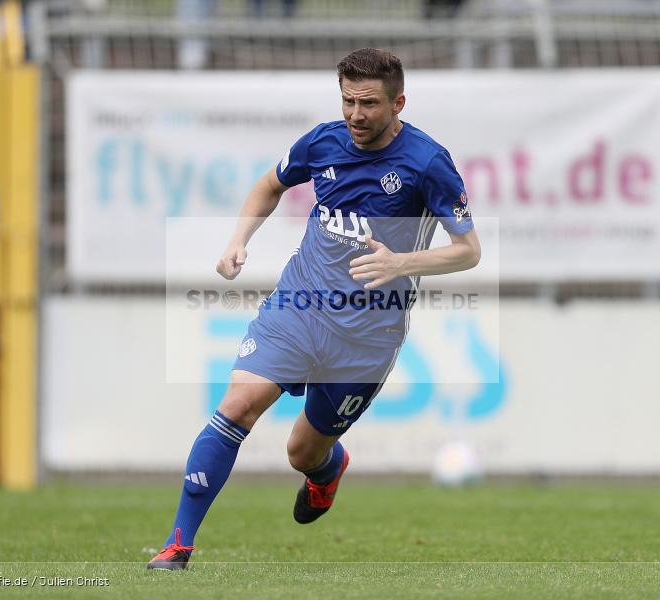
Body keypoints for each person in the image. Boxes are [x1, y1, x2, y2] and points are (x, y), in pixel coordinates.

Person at [147, 48, 481, 570]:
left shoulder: (427, 162)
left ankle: (327, 472)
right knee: (235, 408)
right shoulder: (323, 141)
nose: (355, 114)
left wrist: (400, 263)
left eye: (368, 103)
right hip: (298, 308)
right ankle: (178, 544)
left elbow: (468, 249)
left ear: (398, 103)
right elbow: (269, 184)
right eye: (347, 100)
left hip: (367, 337)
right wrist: (239, 239)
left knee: (302, 453)